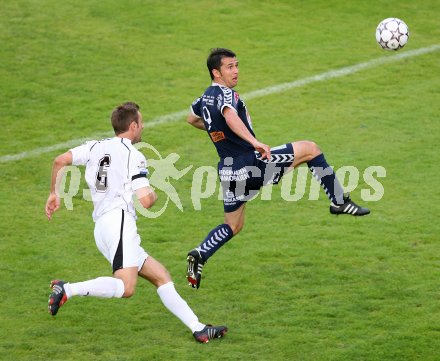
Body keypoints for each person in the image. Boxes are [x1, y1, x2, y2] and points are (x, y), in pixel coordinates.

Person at [186, 48, 370, 289]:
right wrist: (253, 142)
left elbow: (191, 119)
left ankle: (200, 253)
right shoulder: (225, 94)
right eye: (230, 67)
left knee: (233, 225)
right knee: (311, 149)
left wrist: (218, 132)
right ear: (216, 72)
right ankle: (339, 201)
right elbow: (230, 115)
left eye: (237, 65)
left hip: (229, 172)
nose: (236, 71)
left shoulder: (205, 97)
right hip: (251, 163)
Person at [45, 102, 227, 343]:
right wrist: (154, 193)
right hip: (119, 223)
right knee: (126, 287)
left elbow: (60, 160)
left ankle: (198, 328)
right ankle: (67, 289)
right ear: (132, 126)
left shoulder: (95, 146)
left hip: (103, 227)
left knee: (160, 275)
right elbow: (146, 200)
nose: (143, 127)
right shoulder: (133, 154)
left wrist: (53, 193)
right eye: (141, 123)